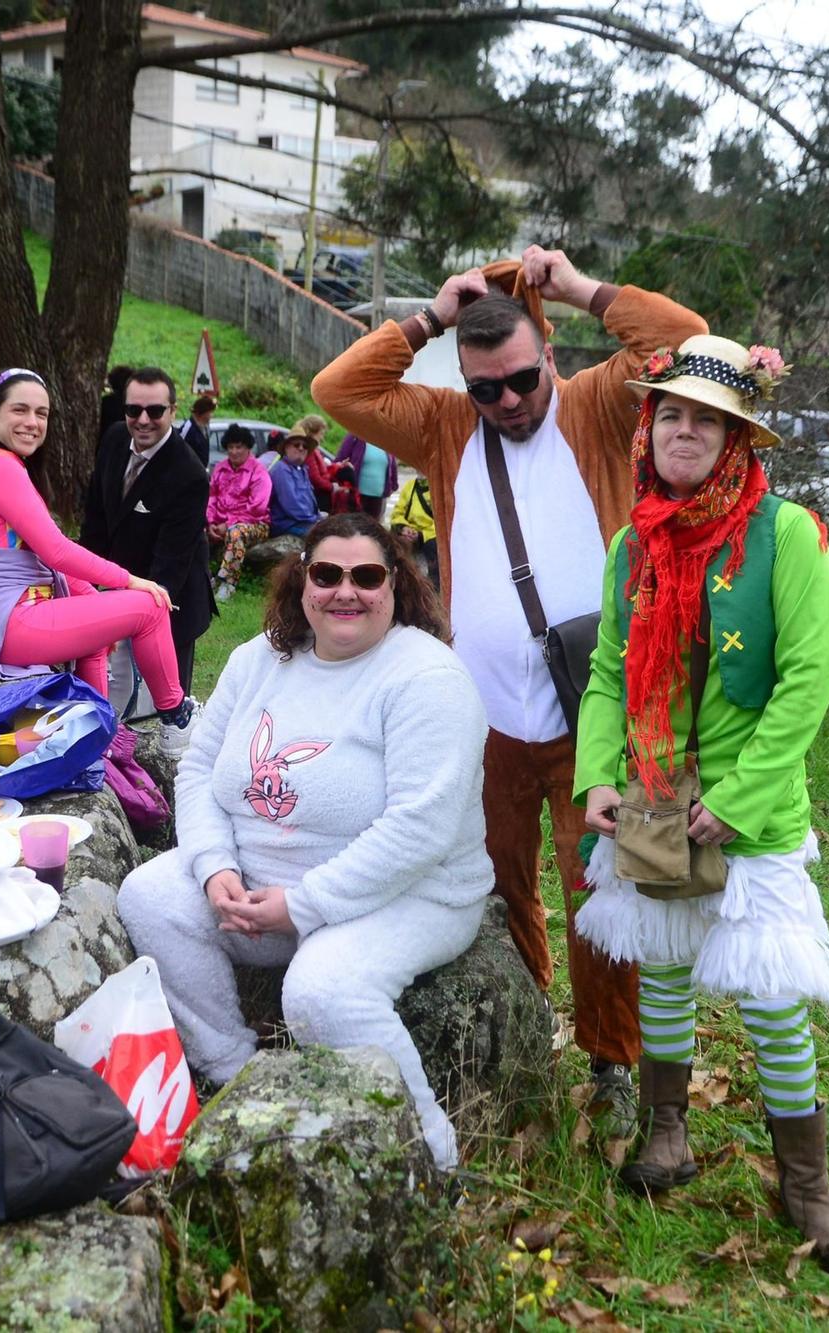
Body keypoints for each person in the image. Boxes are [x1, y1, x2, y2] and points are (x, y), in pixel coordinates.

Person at [312, 244, 707, 1135]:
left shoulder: (605, 404)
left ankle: (621, 1066)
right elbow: (337, 391)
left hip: (606, 707)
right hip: (481, 716)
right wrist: (430, 316)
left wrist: (581, 289)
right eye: (485, 387)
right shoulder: (450, 426)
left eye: (521, 381)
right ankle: (526, 1029)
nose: (507, 402)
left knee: (615, 891)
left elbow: (687, 339)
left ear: (550, 358)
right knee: (498, 885)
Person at [572, 334, 829, 1277]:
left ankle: (806, 1183)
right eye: (672, 414)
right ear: (649, 427)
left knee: (772, 997)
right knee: (661, 968)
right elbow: (610, 670)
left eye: (708, 417)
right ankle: (667, 1129)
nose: (686, 430)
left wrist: (739, 800)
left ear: (740, 437)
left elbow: (807, 680)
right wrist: (598, 774)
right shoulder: (634, 544)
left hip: (754, 808)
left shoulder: (786, 535)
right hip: (656, 790)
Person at [117, 513, 492, 1170]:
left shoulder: (427, 677)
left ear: (396, 586)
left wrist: (302, 904)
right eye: (327, 574)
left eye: (367, 576)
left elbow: (420, 829)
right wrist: (213, 868)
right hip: (257, 885)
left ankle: (432, 1154)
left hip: (409, 894)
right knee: (148, 894)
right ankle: (237, 1077)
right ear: (303, 580)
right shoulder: (259, 658)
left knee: (321, 991)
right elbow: (200, 770)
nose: (346, 591)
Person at [0, 368, 199, 755]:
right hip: (9, 619)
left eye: (41, 414)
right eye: (20, 410)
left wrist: (93, 596)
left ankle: (98, 734)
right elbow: (55, 551)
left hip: (4, 614)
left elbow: (42, 556)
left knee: (94, 641)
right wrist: (131, 581)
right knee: (151, 605)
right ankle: (178, 718)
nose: (32, 422)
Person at [80, 366, 214, 697]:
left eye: (155, 411)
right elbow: (96, 522)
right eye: (133, 409)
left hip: (171, 600)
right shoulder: (113, 438)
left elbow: (169, 565)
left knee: (164, 703)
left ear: (173, 411)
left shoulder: (189, 475)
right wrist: (83, 589)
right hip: (117, 585)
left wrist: (120, 617)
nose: (143, 420)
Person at [206, 424, 271, 602]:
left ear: (248, 448)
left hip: (256, 524)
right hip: (219, 523)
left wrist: (227, 523)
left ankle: (227, 584)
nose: (234, 451)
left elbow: (257, 507)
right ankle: (206, 578)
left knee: (235, 532)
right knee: (194, 530)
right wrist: (211, 522)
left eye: (239, 447)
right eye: (230, 447)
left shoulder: (259, 471)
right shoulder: (220, 468)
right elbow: (212, 497)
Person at [335, 432, 398, 519]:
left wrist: (394, 485)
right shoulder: (355, 437)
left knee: (373, 528)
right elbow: (339, 461)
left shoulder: (386, 440)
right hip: (356, 496)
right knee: (354, 526)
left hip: (378, 497)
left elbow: (392, 466)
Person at [387, 472, 437, 584]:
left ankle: (434, 587)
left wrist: (421, 535)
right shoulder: (410, 485)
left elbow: (442, 522)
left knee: (433, 548)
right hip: (408, 529)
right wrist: (403, 527)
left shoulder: (439, 488)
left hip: (429, 533)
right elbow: (397, 512)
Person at [268, 433, 320, 537]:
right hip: (286, 525)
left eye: (305, 446)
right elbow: (292, 505)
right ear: (287, 448)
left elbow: (310, 499)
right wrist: (314, 519)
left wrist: (318, 516)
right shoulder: (281, 469)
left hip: (302, 522)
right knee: (324, 537)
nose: (301, 448)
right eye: (297, 445)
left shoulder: (302, 469)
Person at [177, 394, 216, 465]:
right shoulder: (188, 427)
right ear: (203, 412)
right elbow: (178, 449)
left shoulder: (206, 427)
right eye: (210, 412)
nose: (212, 415)